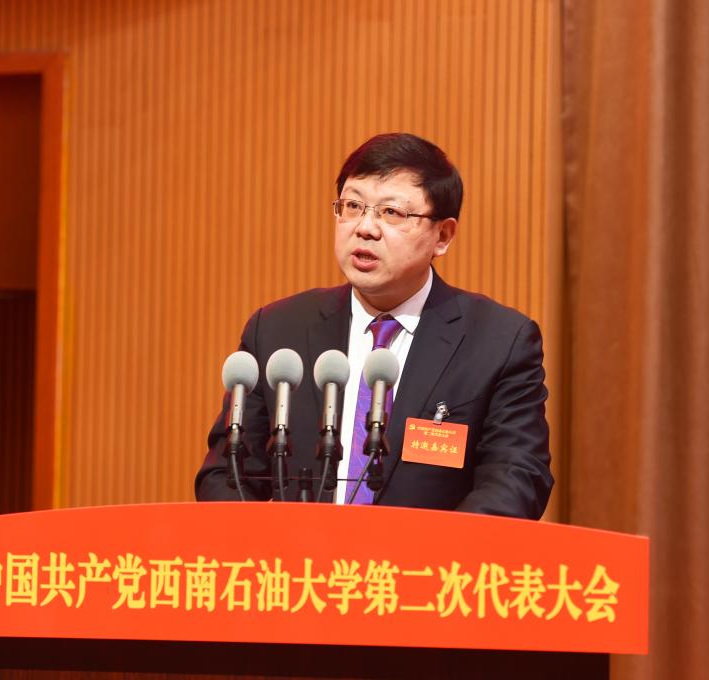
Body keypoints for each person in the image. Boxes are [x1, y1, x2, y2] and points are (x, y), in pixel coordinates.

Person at [194, 132, 552, 518]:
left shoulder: (497, 342)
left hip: (427, 556)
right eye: (352, 206)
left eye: (391, 213)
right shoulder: (278, 330)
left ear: (443, 235)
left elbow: (516, 478)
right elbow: (225, 475)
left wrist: (431, 551)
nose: (365, 228)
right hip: (300, 556)